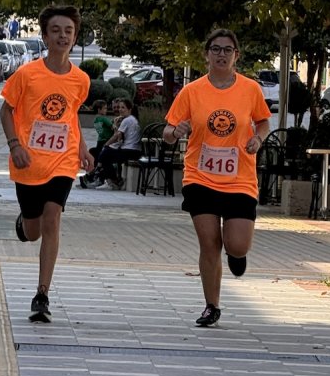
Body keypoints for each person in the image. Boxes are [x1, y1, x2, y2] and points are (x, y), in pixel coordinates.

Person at [164, 28, 271, 328]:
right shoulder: (192, 91)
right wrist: (176, 132)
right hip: (200, 177)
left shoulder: (250, 89)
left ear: (236, 56)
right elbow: (168, 132)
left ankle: (237, 254)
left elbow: (263, 122)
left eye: (227, 49)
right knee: (209, 244)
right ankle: (212, 305)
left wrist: (258, 140)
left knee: (235, 245)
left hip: (239, 178)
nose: (221, 54)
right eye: (216, 49)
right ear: (206, 54)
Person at [0, 4, 92, 323]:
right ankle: (25, 224)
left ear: (75, 37)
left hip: (63, 162)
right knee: (34, 230)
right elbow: (6, 109)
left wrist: (82, 149)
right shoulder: (27, 74)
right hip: (28, 161)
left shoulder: (81, 80)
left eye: (68, 31)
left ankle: (42, 294)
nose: (63, 36)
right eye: (56, 30)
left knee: (53, 217)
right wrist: (15, 145)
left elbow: (71, 116)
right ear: (45, 35)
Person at [90, 95, 141, 188]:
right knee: (105, 153)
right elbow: (119, 138)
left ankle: (110, 178)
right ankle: (105, 175)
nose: (120, 110)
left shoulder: (127, 120)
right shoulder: (132, 119)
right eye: (119, 107)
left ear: (129, 109)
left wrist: (106, 144)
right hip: (133, 150)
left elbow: (117, 136)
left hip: (130, 151)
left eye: (123, 107)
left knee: (105, 153)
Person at [78, 97, 116, 187]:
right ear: (99, 109)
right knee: (102, 160)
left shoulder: (96, 119)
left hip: (99, 141)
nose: (106, 110)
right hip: (106, 141)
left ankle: (89, 177)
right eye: (105, 108)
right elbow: (113, 127)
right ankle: (95, 178)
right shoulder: (104, 119)